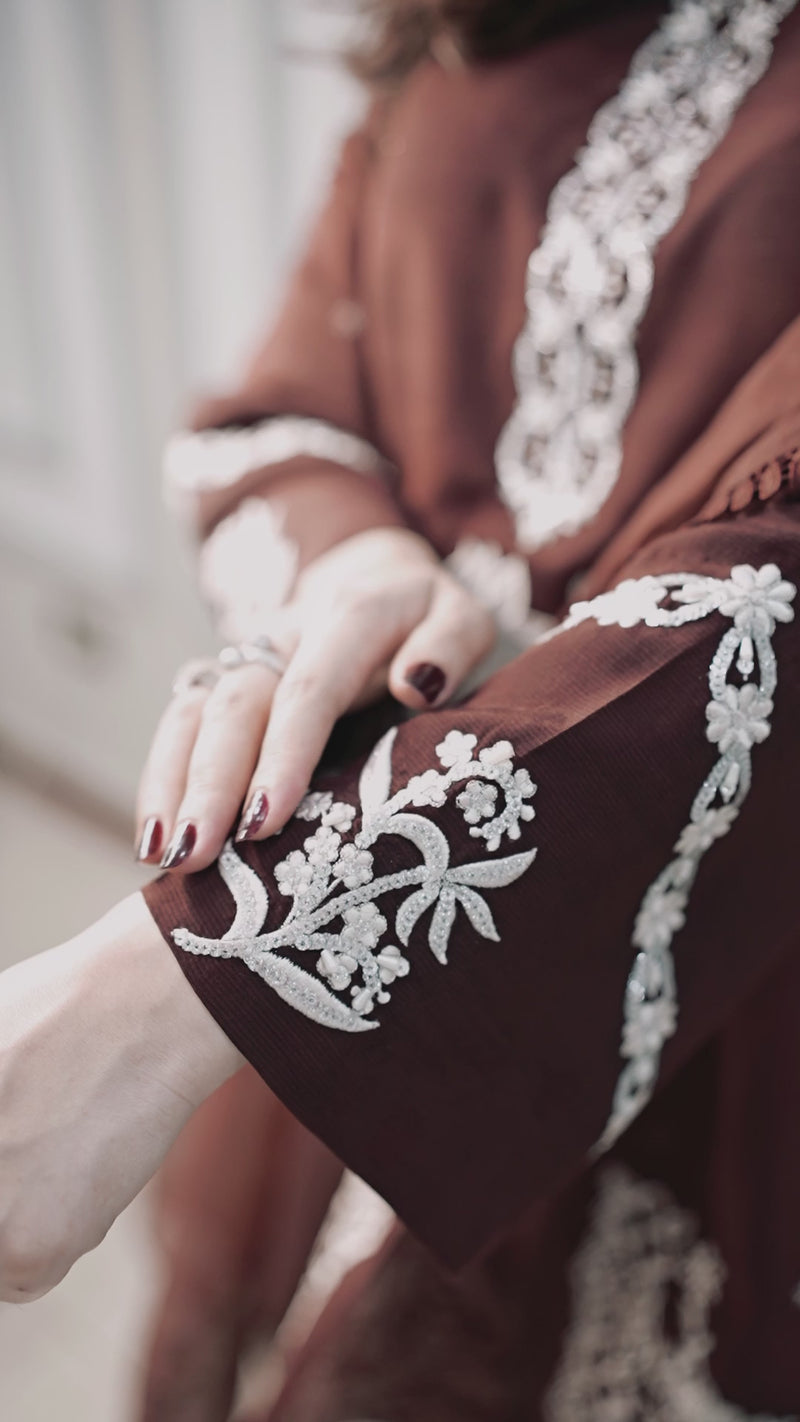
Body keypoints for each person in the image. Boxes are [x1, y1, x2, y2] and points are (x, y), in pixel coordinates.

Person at [2, 0, 800, 1416]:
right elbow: (297, 393)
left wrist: (169, 990)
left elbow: (761, 598)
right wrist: (356, 563)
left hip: (695, 931)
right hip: (369, 836)